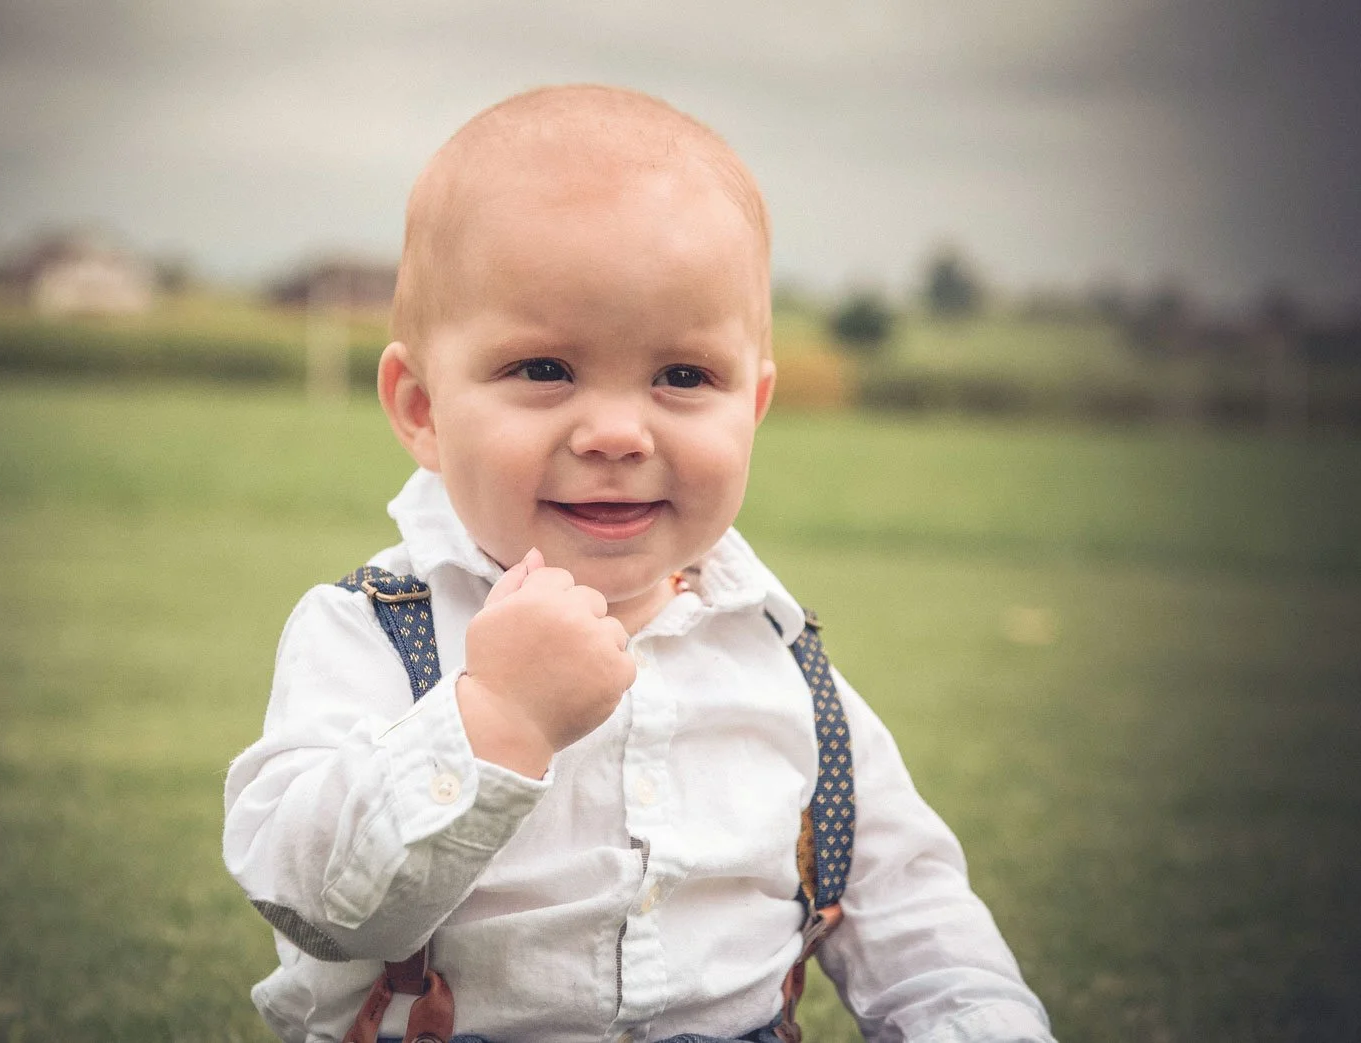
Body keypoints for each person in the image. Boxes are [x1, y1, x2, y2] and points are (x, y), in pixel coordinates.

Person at [224, 84, 1054, 1043]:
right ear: (419, 407)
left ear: (751, 406)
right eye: (543, 369)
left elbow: (922, 927)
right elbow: (312, 902)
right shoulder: (371, 632)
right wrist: (494, 719)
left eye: (682, 376)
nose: (618, 432)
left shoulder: (783, 662)